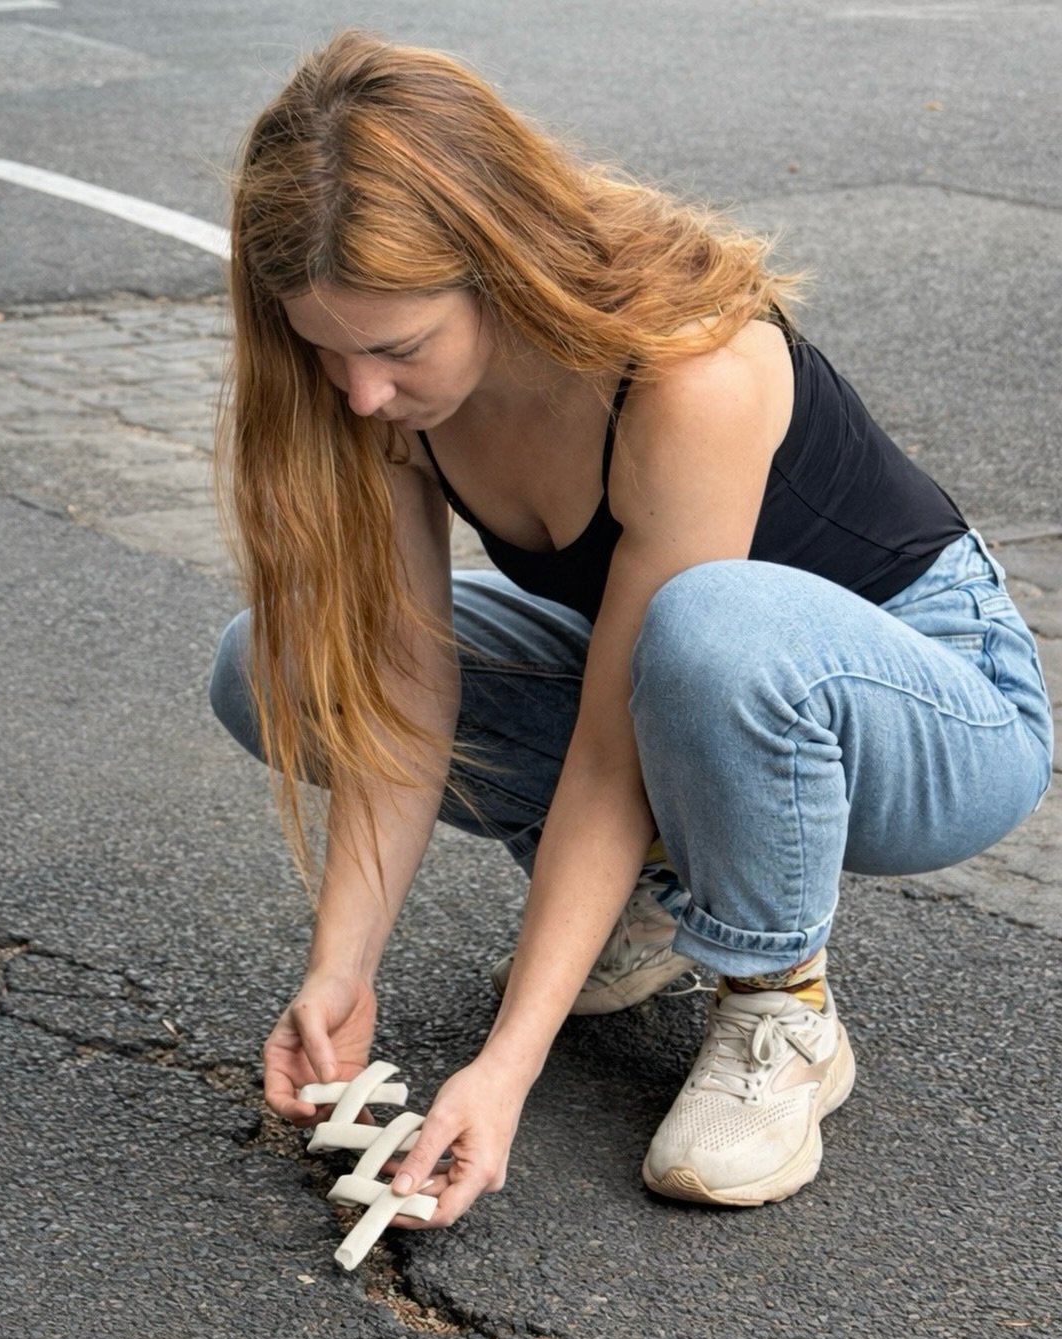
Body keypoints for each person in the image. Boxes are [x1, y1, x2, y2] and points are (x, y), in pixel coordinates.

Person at [210, 29, 1052, 1221]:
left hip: (934, 713)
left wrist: (505, 1069)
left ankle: (779, 1003)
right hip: (678, 688)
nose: (359, 394)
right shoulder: (382, 389)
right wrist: (338, 968)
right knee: (277, 662)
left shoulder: (687, 372)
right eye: (325, 346)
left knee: (709, 626)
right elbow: (398, 677)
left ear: (497, 265)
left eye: (395, 347)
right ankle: (653, 900)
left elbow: (612, 748)